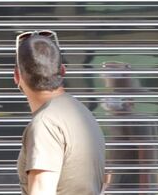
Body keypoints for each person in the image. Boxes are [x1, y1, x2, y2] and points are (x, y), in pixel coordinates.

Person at [14, 30, 106, 195]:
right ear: (63, 71)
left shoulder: (46, 124)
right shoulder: (81, 112)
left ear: (16, 76)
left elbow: (41, 190)